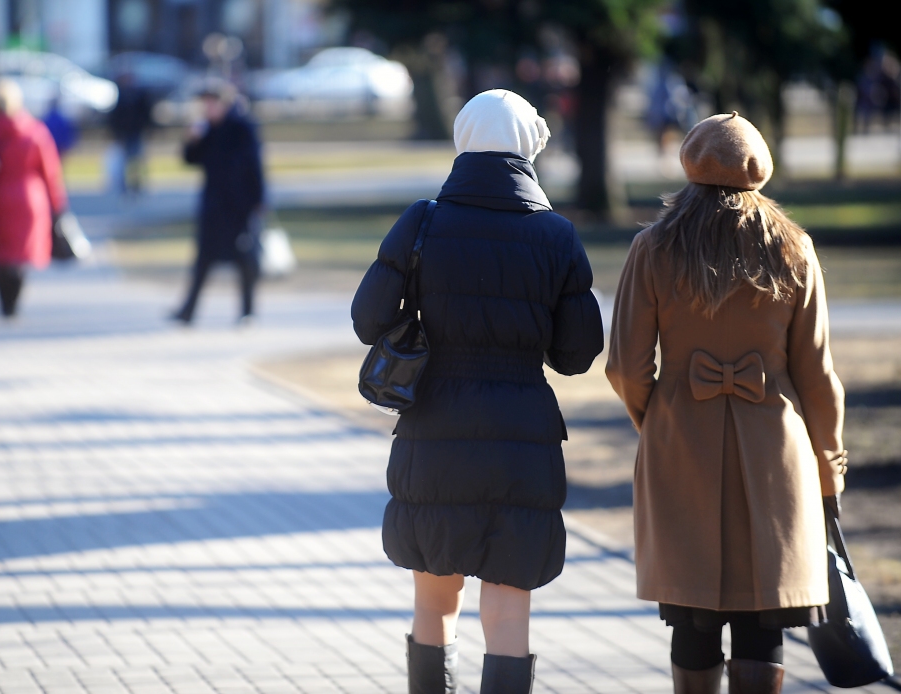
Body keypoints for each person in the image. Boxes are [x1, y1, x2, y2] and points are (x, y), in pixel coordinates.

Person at [352, 90, 604, 693]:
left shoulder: (423, 220)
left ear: (465, 140)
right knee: (510, 608)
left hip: (434, 432)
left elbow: (367, 320)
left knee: (435, 600)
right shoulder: (557, 235)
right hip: (523, 438)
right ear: (528, 147)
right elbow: (576, 354)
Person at [605, 113, 846, 694]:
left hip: (680, 443)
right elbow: (818, 374)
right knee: (765, 613)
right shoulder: (794, 249)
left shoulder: (653, 246)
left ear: (691, 166)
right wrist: (829, 465)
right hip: (775, 449)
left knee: (692, 612)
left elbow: (625, 367)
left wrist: (658, 416)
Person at [171, 81, 264, 325]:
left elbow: (255, 166)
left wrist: (258, 201)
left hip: (238, 206)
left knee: (244, 260)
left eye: (211, 103)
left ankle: (247, 312)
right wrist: (191, 139)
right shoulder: (207, 130)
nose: (208, 108)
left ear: (224, 103)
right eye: (204, 104)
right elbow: (190, 159)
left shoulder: (241, 127)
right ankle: (188, 311)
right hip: (213, 207)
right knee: (203, 259)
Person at [0, 78, 68, 318]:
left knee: (1, 254)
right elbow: (50, 172)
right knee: (20, 254)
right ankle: (14, 300)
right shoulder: (35, 131)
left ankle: (4, 301)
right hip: (29, 198)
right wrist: (58, 205)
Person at [108, 72, 152, 195]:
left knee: (137, 161)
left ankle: (137, 186)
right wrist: (117, 134)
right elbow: (115, 117)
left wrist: (146, 128)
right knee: (124, 162)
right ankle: (125, 188)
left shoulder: (139, 95)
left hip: (136, 133)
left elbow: (146, 114)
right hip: (124, 135)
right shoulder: (121, 96)